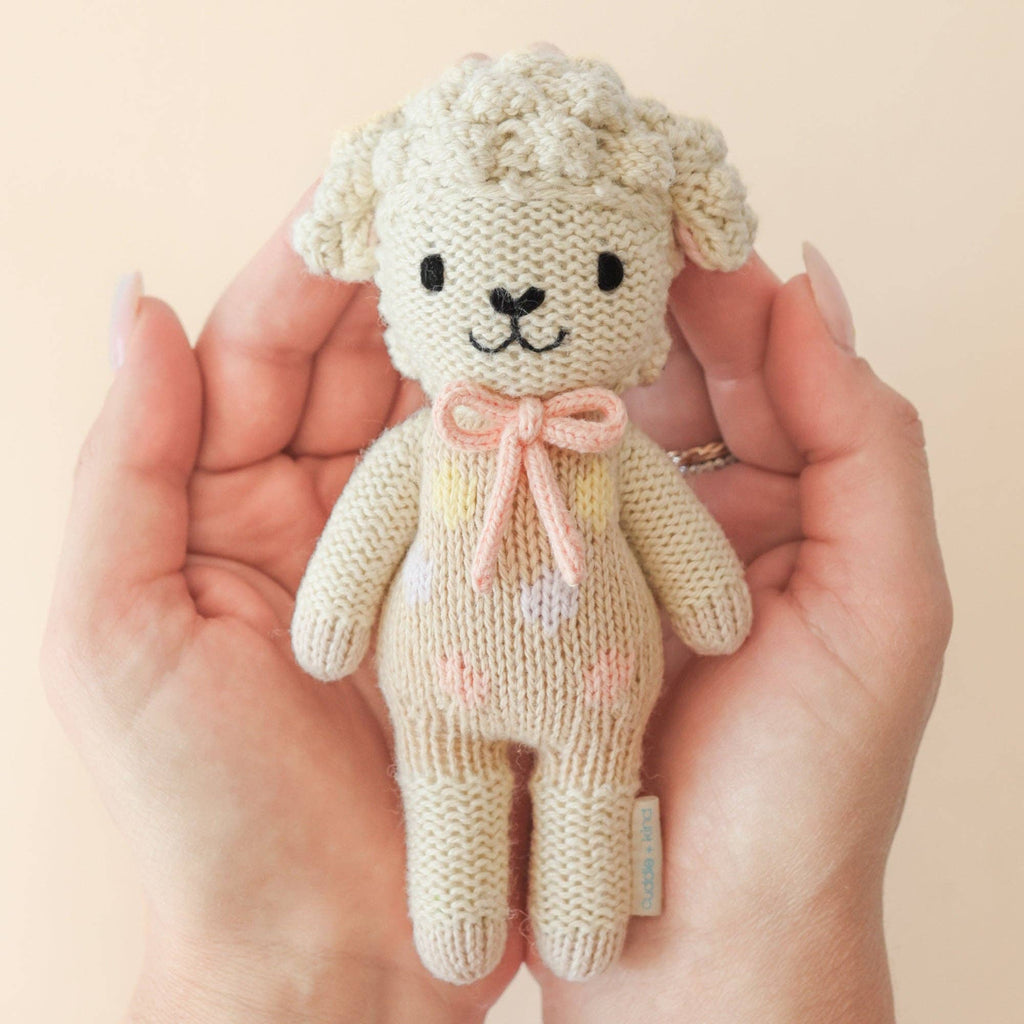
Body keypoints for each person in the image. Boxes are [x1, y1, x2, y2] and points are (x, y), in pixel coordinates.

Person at [39, 173, 952, 1022]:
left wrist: (710, 596)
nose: (519, 304)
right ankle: (459, 917)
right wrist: (332, 613)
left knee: (593, 782)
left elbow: (676, 534)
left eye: (603, 271)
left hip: (599, 681)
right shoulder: (431, 442)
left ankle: (586, 918)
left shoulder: (608, 441)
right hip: (444, 682)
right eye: (438, 271)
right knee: (447, 782)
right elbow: (362, 531)